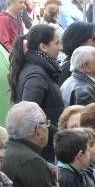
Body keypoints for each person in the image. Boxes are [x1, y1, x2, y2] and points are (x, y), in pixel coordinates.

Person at [7, 24, 64, 162]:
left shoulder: (43, 69)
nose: (60, 47)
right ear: (43, 47)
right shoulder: (36, 75)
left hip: (46, 147)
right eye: (56, 43)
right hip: (43, 151)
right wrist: (60, 135)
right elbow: (29, 117)